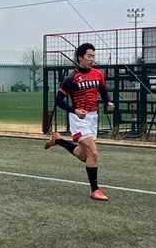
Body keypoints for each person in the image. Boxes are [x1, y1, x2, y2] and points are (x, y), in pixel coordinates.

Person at [45, 42, 115, 201]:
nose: (92, 59)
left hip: (93, 118)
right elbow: (58, 101)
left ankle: (58, 140)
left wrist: (108, 102)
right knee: (93, 153)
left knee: (84, 156)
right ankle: (95, 190)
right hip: (78, 119)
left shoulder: (98, 74)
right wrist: (74, 110)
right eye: (89, 56)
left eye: (93, 56)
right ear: (80, 58)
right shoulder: (71, 79)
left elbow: (103, 91)